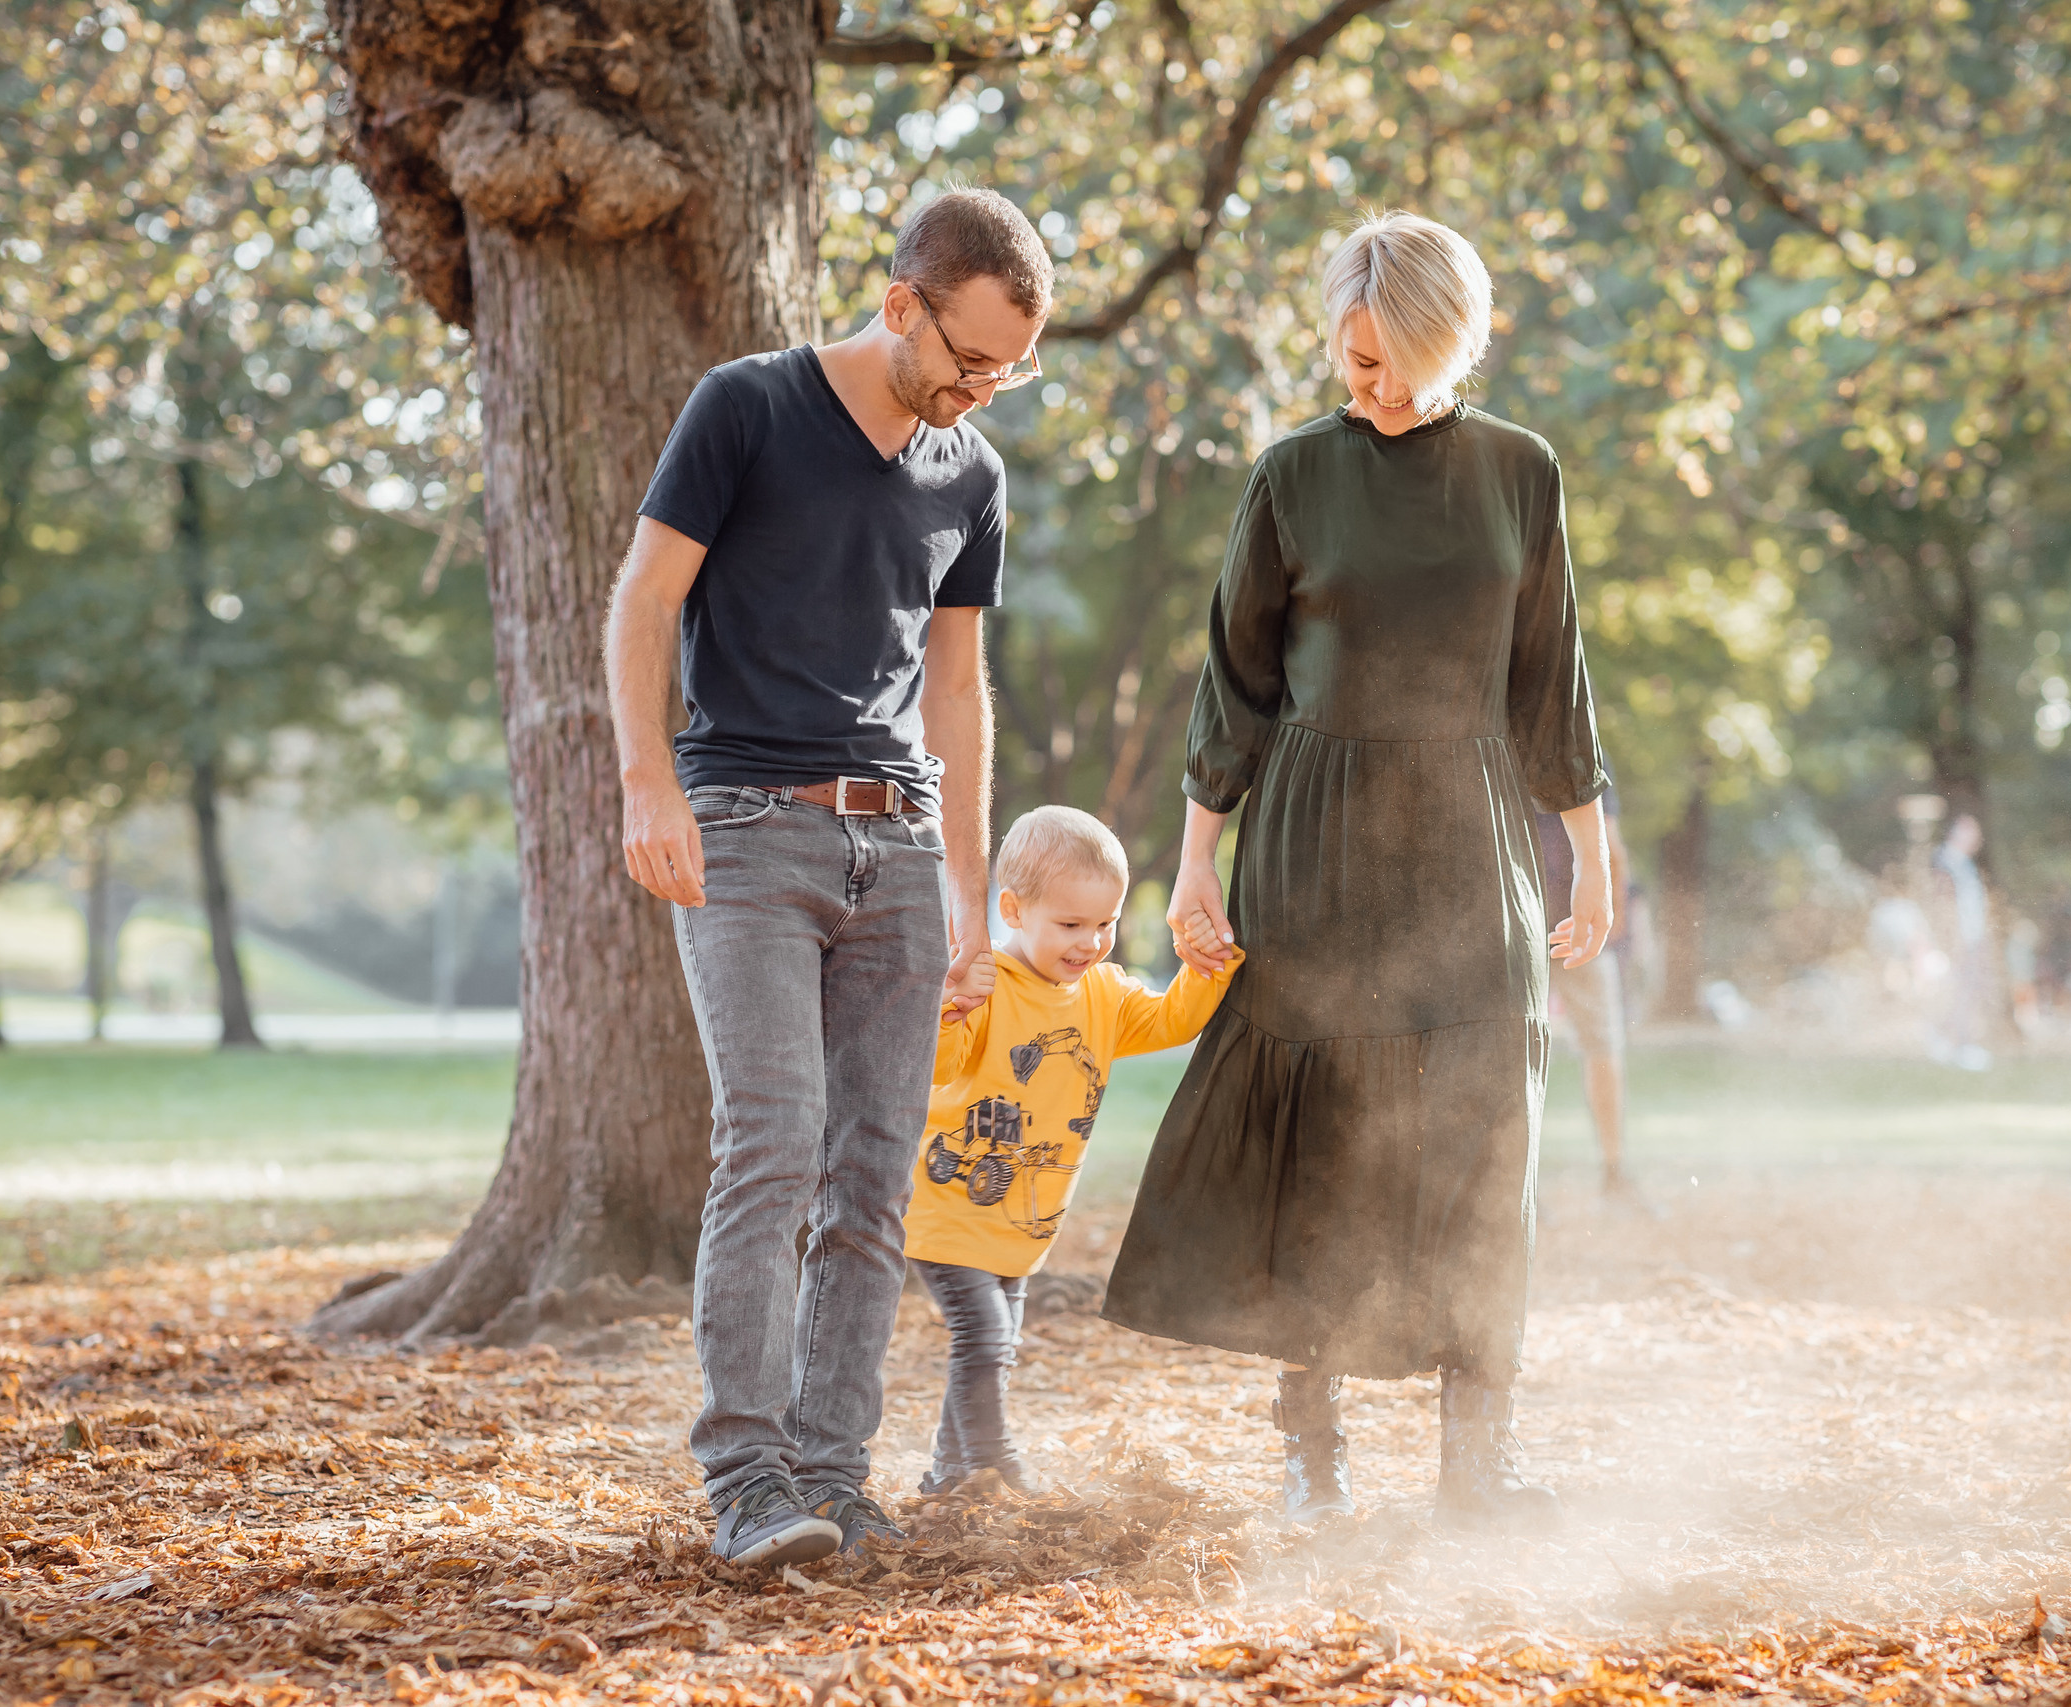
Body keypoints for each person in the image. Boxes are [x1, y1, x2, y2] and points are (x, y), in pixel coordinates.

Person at [1101, 213, 1614, 1533]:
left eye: (1390, 362)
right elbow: (1238, 685)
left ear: (1455, 341)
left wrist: (1593, 866)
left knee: (1486, 1134)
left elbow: (1553, 682)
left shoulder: (1521, 472)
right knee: (1323, 1144)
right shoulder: (1291, 476)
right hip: (1312, 843)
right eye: (1350, 357)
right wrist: (1194, 866)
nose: (1364, 386)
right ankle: (1311, 1448)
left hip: (1473, 841)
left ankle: (1477, 1458)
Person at [603, 189, 1052, 1570]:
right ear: (903, 300)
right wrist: (646, 781)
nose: (982, 391)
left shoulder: (968, 474)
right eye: (969, 359)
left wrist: (970, 896)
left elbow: (961, 691)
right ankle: (744, 1471)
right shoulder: (747, 407)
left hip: (900, 850)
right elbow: (645, 596)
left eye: (1010, 372)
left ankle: (830, 1469)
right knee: (774, 1141)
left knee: (871, 1176)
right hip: (747, 827)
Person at [903, 807, 1242, 1495]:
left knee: (991, 1344)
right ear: (1013, 909)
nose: (1091, 941)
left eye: (1105, 923)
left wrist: (1206, 965)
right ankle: (997, 1462)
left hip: (1021, 1225)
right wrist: (949, 1007)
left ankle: (948, 1475)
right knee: (986, 1338)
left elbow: (1175, 1018)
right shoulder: (987, 983)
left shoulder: (1104, 995)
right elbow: (937, 1067)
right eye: (1071, 924)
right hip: (948, 1209)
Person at [1533, 795, 1632, 1195]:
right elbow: (1610, 842)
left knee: (1512, 1050)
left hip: (1519, 919)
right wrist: (1616, 916)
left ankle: (1513, 1181)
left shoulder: (1495, 737)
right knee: (1602, 1047)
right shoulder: (1584, 743)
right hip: (1579, 925)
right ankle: (1614, 1170)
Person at [1931, 813, 1993, 1070]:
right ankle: (1957, 1045)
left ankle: (1950, 1042)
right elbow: (1944, 905)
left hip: (1970, 939)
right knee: (1961, 993)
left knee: (1967, 992)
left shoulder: (1962, 863)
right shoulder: (1946, 861)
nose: (1976, 837)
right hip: (1959, 941)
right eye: (1971, 831)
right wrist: (1955, 940)